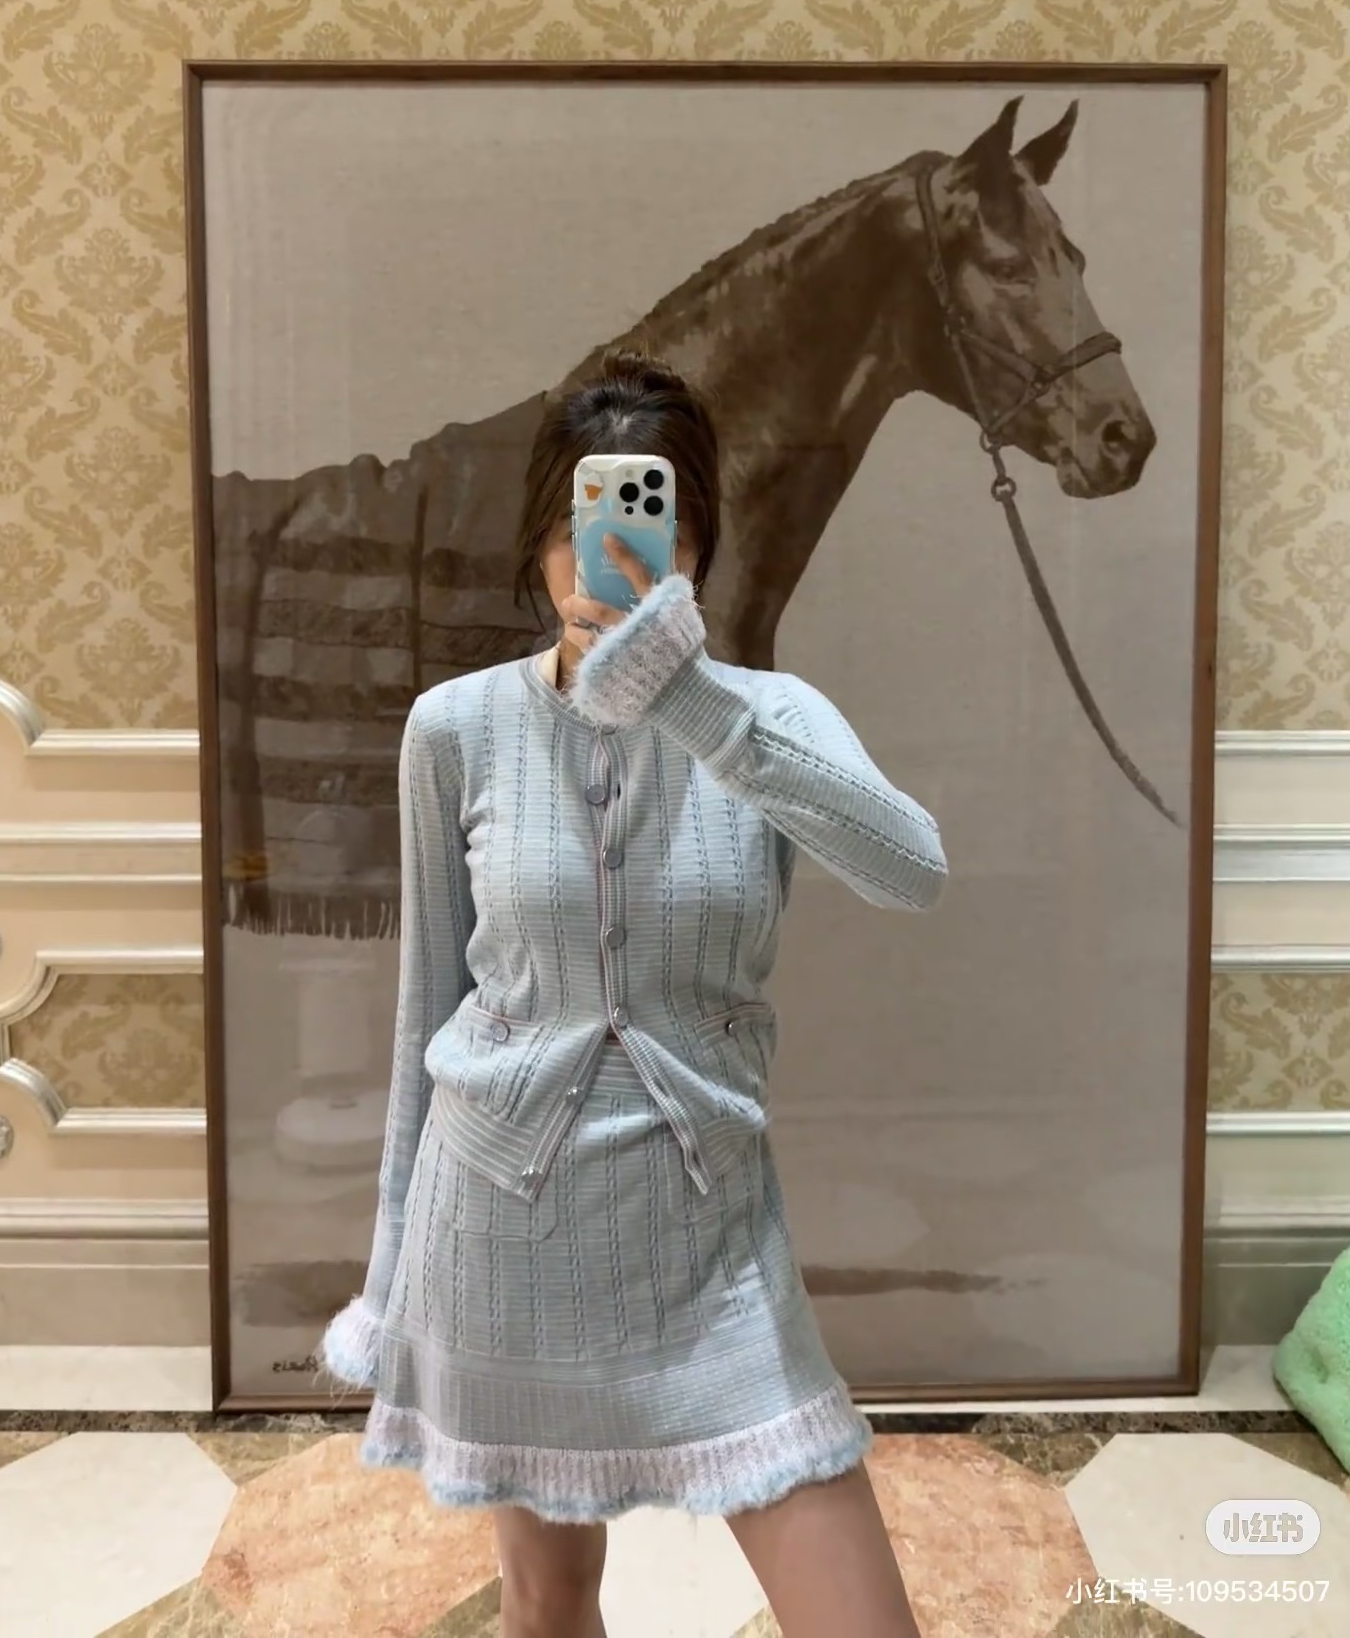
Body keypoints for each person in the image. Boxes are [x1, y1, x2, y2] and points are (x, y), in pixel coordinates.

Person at [321, 352, 947, 1638]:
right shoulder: (455, 728)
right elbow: (425, 1011)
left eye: (645, 520)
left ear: (693, 545)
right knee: (549, 1606)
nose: (597, 557)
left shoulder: (767, 717)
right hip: (497, 1231)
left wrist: (692, 703)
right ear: (538, 538)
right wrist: (385, 1282)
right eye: (574, 522)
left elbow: (912, 872)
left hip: (707, 1243)